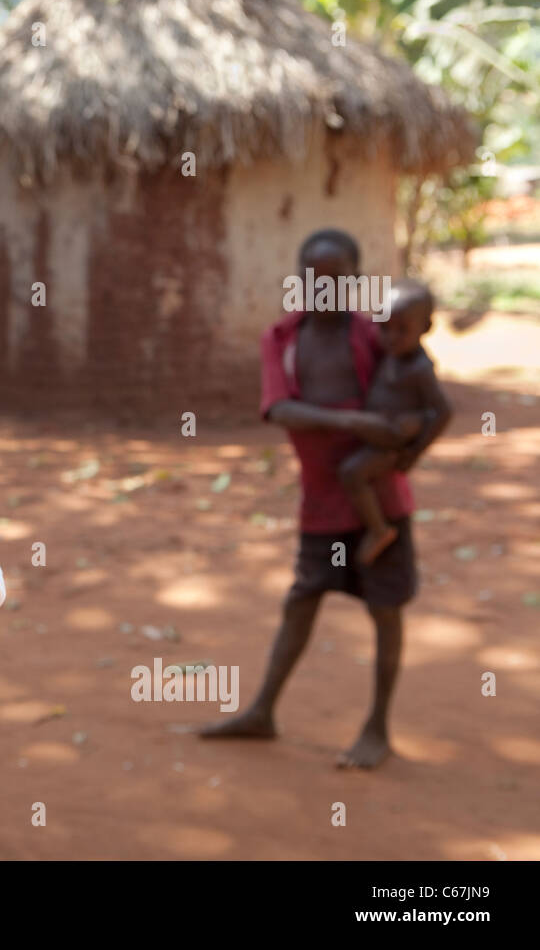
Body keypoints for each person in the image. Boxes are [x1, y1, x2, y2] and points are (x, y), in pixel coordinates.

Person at [202, 229, 445, 769]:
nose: (323, 288)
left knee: (385, 610)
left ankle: (377, 727)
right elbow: (280, 409)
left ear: (354, 282)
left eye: (336, 279)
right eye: (314, 277)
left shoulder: (374, 334)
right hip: (321, 503)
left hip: (378, 503)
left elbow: (416, 400)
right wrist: (353, 420)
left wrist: (405, 441)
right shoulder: (282, 339)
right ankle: (263, 711)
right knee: (302, 599)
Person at [340, 281, 452, 566]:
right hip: (382, 433)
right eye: (385, 327)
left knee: (351, 472)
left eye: (402, 329)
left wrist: (414, 452)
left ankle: (379, 531)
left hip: (391, 442)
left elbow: (443, 411)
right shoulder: (391, 355)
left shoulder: (419, 368)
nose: (391, 336)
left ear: (425, 328)